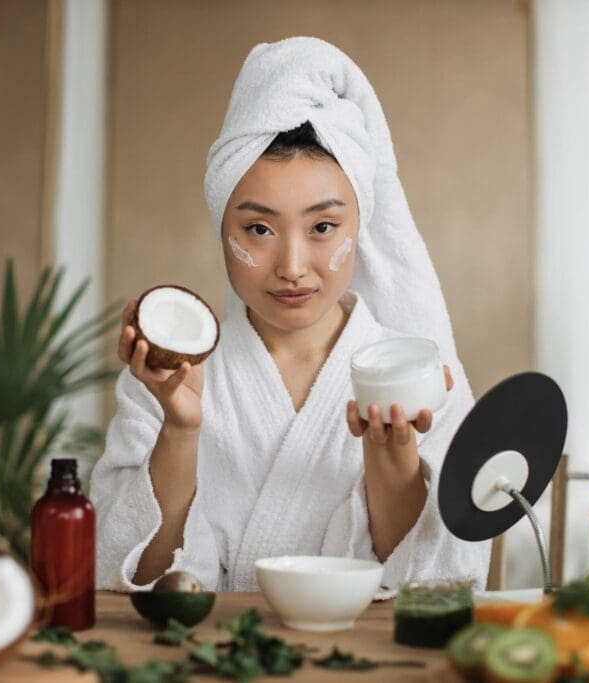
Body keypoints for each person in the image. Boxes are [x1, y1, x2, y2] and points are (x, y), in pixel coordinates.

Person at [90, 37, 490, 596]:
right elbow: (127, 576)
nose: (293, 267)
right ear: (222, 229)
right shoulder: (167, 380)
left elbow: (435, 582)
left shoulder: (417, 377)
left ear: (360, 225)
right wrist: (180, 429)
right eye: (259, 229)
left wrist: (391, 456)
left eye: (323, 228)